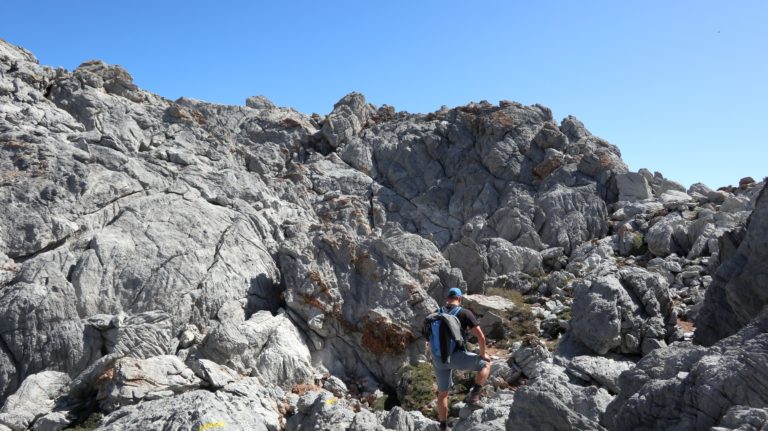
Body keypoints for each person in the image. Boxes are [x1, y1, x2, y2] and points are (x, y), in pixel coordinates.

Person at [428, 287, 491, 431]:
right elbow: (481, 337)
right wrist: (483, 354)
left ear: (447, 298)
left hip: (438, 359)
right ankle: (474, 396)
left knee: (442, 394)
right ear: (460, 299)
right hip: (456, 356)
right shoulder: (464, 313)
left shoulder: (435, 314)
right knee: (485, 365)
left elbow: (430, 340)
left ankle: (443, 427)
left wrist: (436, 357)